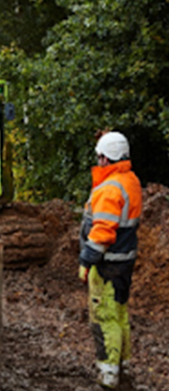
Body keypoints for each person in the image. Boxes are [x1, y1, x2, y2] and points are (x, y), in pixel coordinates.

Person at [79, 131, 142, 389]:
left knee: (104, 319)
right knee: (120, 316)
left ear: (105, 158)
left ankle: (108, 376)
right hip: (124, 261)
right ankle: (122, 368)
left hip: (106, 264)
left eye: (99, 157)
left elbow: (102, 232)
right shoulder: (131, 181)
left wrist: (86, 260)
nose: (98, 161)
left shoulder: (109, 188)